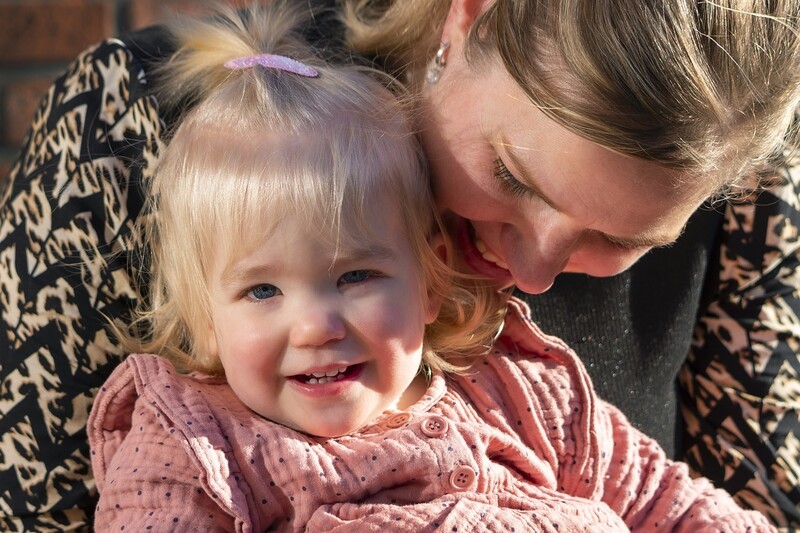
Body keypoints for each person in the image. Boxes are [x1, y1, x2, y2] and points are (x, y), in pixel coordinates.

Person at [0, 0, 798, 530]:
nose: (532, 276)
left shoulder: (525, 389)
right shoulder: (203, 441)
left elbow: (710, 500)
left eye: (623, 242)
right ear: (466, 16)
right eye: (512, 176)